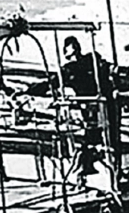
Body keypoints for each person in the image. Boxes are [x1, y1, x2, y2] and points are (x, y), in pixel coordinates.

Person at [26, 36, 120, 173]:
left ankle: (113, 170)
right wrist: (30, 90)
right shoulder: (69, 70)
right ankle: (92, 167)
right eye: (71, 50)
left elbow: (108, 68)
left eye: (75, 49)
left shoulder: (92, 60)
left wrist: (115, 72)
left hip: (106, 103)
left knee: (110, 138)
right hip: (90, 106)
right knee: (94, 136)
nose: (74, 53)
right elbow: (51, 83)